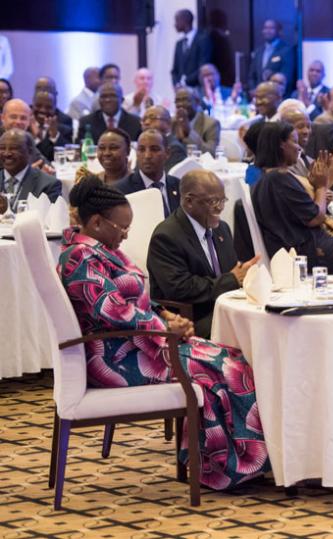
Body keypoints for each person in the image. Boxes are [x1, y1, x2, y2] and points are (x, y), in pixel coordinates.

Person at [59, 176, 268, 490]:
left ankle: (235, 459)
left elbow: (133, 300)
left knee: (231, 355)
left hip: (137, 344)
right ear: (98, 222)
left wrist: (165, 314)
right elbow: (111, 310)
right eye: (122, 228)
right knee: (222, 368)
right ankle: (223, 467)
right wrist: (164, 327)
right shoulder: (80, 257)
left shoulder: (99, 249)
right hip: (116, 358)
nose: (127, 234)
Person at [148, 170, 257, 338]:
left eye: (222, 200)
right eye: (213, 201)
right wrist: (232, 280)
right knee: (251, 329)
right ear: (189, 201)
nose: (220, 208)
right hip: (192, 318)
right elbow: (180, 289)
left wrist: (245, 274)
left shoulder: (222, 229)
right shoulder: (166, 236)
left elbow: (231, 271)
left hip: (224, 307)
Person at [251, 121, 333, 273]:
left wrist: (323, 181)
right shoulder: (279, 178)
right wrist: (322, 186)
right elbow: (316, 217)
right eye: (295, 141)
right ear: (281, 144)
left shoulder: (271, 177)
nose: (299, 147)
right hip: (304, 253)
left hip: (300, 247)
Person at [280, 106, 333, 201]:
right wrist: (322, 191)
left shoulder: (309, 160)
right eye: (300, 127)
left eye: (308, 126)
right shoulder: (280, 162)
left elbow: (323, 189)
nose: (306, 131)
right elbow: (299, 194)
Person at [114, 129, 182, 217]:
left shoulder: (179, 186)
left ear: (167, 153)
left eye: (154, 149)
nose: (147, 156)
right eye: (141, 150)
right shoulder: (121, 191)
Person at [0, 128, 61, 211]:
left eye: (14, 148)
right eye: (2, 148)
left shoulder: (48, 185)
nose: (7, 153)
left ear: (30, 152)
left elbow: (51, 221)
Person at [76, 82, 142, 144]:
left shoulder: (135, 123)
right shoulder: (86, 122)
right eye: (103, 96)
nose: (107, 100)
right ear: (99, 100)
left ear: (122, 100)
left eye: (112, 96)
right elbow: (81, 149)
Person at [248, 19, 295, 94]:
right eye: (265, 28)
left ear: (279, 31)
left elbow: (287, 76)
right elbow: (251, 76)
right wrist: (253, 89)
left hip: (278, 96)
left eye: (271, 28)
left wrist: (272, 75)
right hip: (259, 96)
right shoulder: (258, 51)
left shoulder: (286, 50)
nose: (267, 31)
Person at [171, 9, 213, 88]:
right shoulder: (179, 44)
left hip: (198, 88)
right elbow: (174, 70)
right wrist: (176, 84)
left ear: (185, 21)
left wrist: (185, 82)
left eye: (177, 20)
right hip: (181, 91)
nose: (175, 24)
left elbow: (203, 67)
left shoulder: (203, 39)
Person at [174, 86, 220, 155]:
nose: (180, 104)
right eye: (177, 101)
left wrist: (189, 132)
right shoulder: (172, 122)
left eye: (185, 100)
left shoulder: (211, 124)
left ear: (197, 102)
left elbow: (211, 152)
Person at [1, 99, 49, 164]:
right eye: (13, 117)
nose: (18, 122)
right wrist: (29, 171)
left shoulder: (27, 138)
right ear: (2, 118)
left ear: (29, 122)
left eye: (23, 118)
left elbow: (44, 163)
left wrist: (47, 169)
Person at [142, 105, 187, 172]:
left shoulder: (175, 148)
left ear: (168, 123)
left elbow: (168, 178)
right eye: (144, 119)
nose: (147, 122)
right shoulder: (142, 147)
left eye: (153, 118)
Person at [31, 91, 71, 161]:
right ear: (32, 105)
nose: (43, 110)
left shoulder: (64, 130)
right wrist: (36, 138)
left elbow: (69, 157)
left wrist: (54, 136)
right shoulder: (24, 128)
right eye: (38, 106)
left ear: (55, 108)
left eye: (48, 107)